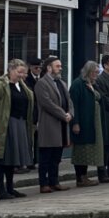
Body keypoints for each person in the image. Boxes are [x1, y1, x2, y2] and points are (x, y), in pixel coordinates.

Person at [0, 59, 34, 200]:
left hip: (20, 124)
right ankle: (1, 190)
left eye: (24, 72)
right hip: (5, 125)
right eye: (19, 72)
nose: (22, 75)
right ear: (10, 70)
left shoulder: (22, 86)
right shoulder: (0, 86)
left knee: (12, 159)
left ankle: (10, 188)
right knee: (1, 159)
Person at [34, 56, 74, 190]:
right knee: (46, 156)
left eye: (60, 66)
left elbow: (69, 101)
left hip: (62, 125)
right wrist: (63, 114)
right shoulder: (41, 83)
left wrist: (70, 113)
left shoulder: (61, 83)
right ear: (49, 68)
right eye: (58, 66)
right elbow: (47, 103)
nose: (60, 68)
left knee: (56, 157)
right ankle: (43, 184)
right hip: (49, 124)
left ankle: (54, 181)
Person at [69, 60, 106, 183]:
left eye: (97, 72)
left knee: (89, 148)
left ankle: (84, 176)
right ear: (88, 71)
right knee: (81, 149)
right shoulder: (78, 84)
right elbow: (74, 104)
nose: (96, 74)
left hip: (93, 121)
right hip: (83, 121)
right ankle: (80, 177)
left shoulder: (93, 84)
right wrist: (75, 122)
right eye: (94, 72)